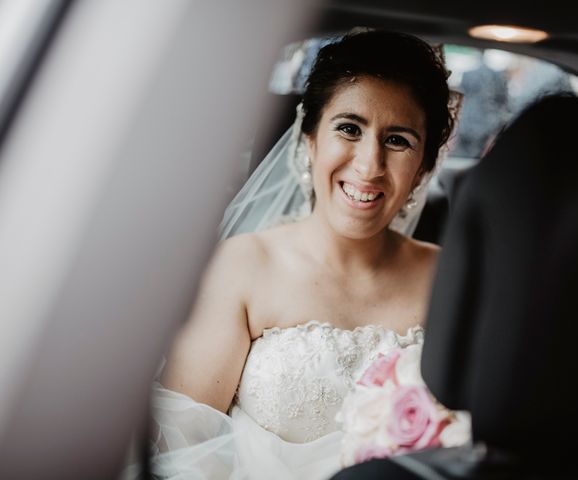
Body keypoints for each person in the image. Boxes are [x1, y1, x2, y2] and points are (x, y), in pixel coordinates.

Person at [135, 29, 457, 480]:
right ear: (309, 139)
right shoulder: (244, 266)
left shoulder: (451, 277)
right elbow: (186, 446)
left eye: (398, 140)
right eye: (349, 128)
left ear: (423, 166)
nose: (369, 166)